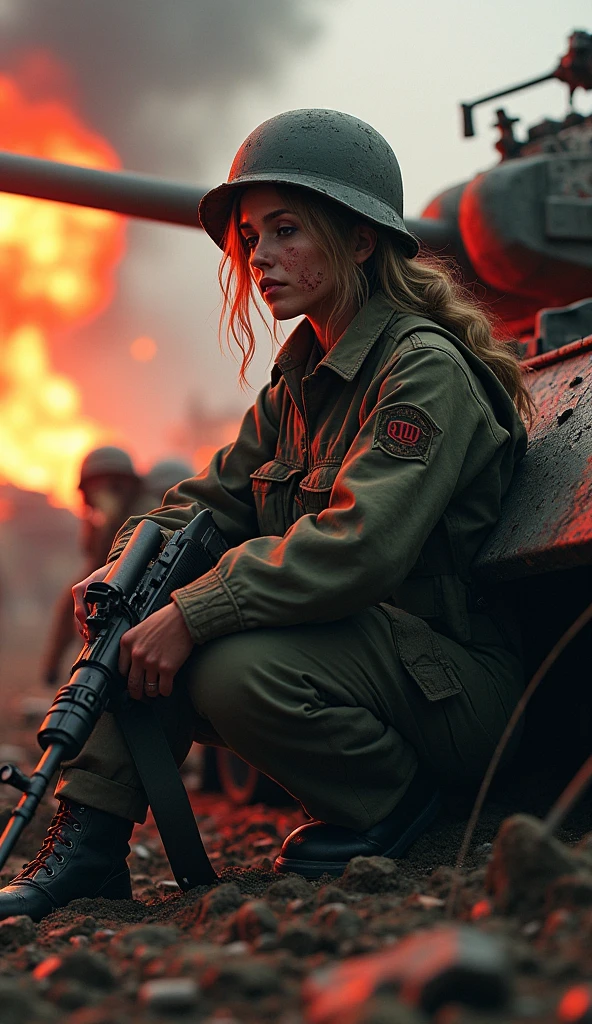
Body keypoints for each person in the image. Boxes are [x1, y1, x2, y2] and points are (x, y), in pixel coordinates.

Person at [0, 109, 532, 921]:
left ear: (358, 240)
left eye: (286, 230)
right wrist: (126, 565)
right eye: (252, 237)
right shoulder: (297, 387)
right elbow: (208, 498)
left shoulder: (422, 371)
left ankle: (394, 800)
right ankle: (88, 843)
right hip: (370, 664)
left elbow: (360, 546)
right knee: (135, 608)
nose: (260, 256)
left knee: (221, 659)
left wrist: (194, 611)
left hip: (456, 687)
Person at [40, 446, 144, 687]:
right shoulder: (101, 522)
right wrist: (52, 662)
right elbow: (76, 595)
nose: (103, 492)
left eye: (114, 483)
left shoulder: (148, 514)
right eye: (96, 485)